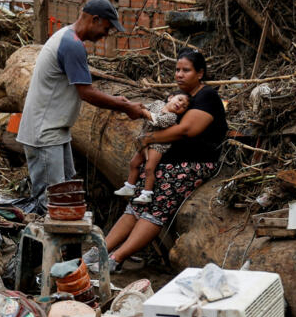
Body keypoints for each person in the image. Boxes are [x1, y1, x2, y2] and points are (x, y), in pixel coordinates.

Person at [89, 47, 227, 272]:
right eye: (177, 70)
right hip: (166, 163)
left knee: (156, 208)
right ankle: (99, 251)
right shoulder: (178, 97)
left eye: (186, 70)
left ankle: (114, 259)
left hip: (193, 164)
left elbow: (185, 130)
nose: (179, 75)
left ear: (200, 73)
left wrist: (147, 138)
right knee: (136, 204)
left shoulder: (206, 97)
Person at [16, 0, 144, 213]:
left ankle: (62, 246)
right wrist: (124, 106)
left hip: (54, 131)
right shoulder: (72, 45)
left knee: (65, 195)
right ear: (95, 19)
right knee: (51, 203)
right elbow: (86, 93)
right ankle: (43, 246)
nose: (107, 34)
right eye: (107, 27)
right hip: (45, 133)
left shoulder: (67, 37)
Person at [115, 91, 191, 204]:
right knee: (134, 163)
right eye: (180, 100)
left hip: (158, 145)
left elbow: (157, 121)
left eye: (184, 106)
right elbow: (145, 108)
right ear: (170, 97)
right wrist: (132, 105)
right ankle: (129, 187)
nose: (180, 104)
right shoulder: (158, 103)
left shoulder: (171, 117)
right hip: (144, 140)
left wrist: (145, 112)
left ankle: (147, 193)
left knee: (149, 168)